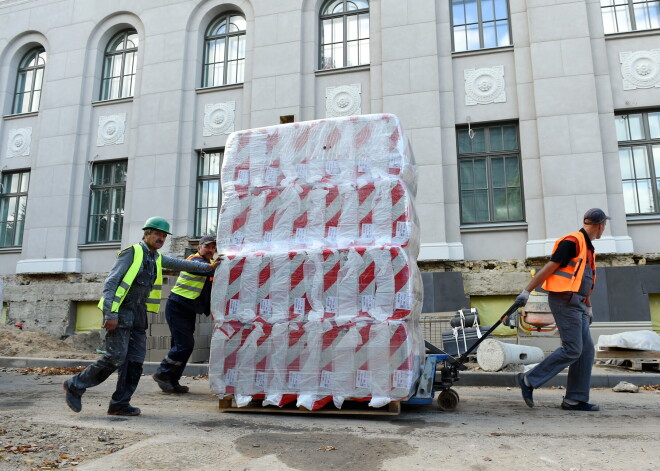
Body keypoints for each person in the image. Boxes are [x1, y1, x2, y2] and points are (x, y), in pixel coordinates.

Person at [63, 217, 220, 416]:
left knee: (135, 361)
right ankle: (75, 385)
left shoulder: (157, 258)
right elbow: (111, 283)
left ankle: (120, 403)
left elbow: (183, 264)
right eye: (157, 234)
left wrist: (210, 267)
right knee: (114, 357)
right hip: (120, 312)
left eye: (163, 236)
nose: (160, 238)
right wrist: (110, 314)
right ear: (146, 233)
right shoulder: (132, 253)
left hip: (138, 315)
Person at [515, 208, 610, 412]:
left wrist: (589, 306)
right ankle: (529, 380)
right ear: (601, 224)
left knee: (585, 351)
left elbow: (583, 279)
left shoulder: (587, 246)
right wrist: (527, 291)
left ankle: (574, 399)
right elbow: (549, 267)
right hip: (564, 300)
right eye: (604, 225)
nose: (604, 228)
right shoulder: (573, 242)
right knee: (573, 348)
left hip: (578, 302)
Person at [152, 235, 218, 393]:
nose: (210, 250)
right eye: (207, 247)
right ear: (199, 248)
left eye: (213, 248)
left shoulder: (210, 264)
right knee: (184, 345)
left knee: (184, 347)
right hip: (177, 307)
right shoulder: (195, 261)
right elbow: (205, 271)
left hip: (188, 309)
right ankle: (162, 373)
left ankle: (172, 381)